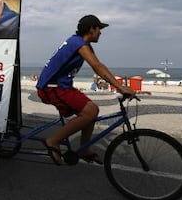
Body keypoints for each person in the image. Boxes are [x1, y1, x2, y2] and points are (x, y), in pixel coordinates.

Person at [36, 15, 136, 165]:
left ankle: (84, 148)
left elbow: (99, 65)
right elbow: (97, 67)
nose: (101, 33)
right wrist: (120, 87)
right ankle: (53, 141)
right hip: (52, 87)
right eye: (99, 29)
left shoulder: (83, 44)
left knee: (90, 110)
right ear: (91, 29)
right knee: (90, 111)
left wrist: (120, 85)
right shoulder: (79, 43)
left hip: (62, 86)